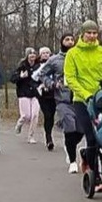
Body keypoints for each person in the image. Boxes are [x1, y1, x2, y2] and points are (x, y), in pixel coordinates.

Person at [64, 20, 102, 188]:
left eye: (95, 33)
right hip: (82, 101)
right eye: (88, 33)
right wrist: (85, 94)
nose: (92, 36)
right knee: (91, 137)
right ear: (82, 34)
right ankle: (95, 176)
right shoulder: (73, 54)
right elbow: (71, 79)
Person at [37, 34, 78, 166]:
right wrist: (52, 84)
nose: (70, 42)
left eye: (72, 40)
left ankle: (70, 144)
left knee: (80, 128)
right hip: (62, 97)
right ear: (61, 42)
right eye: (67, 40)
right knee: (69, 124)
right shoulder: (55, 60)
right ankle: (70, 151)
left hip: (80, 96)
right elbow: (42, 74)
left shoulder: (80, 57)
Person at [11, 48, 43, 144]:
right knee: (26, 116)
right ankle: (19, 124)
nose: (32, 55)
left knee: (35, 115)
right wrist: (21, 77)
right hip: (23, 93)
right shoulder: (22, 66)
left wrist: (42, 85)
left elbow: (43, 77)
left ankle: (31, 136)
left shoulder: (39, 67)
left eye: (34, 53)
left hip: (35, 93)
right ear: (27, 55)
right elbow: (12, 79)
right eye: (30, 53)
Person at [35, 47, 57, 151]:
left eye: (47, 53)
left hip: (53, 93)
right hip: (42, 95)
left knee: (51, 116)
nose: (45, 55)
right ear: (40, 55)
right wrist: (39, 85)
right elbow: (32, 79)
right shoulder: (37, 66)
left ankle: (49, 134)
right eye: (43, 53)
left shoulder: (54, 64)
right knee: (47, 115)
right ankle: (49, 139)